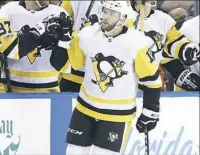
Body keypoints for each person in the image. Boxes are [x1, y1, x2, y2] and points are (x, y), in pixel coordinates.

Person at [58, 1, 161, 154]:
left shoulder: (138, 42)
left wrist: (150, 111)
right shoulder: (87, 35)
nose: (105, 16)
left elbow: (151, 80)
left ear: (123, 18)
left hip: (117, 114)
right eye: (104, 11)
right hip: (84, 108)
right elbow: (73, 63)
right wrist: (66, 39)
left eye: (112, 13)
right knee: (73, 152)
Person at [0, 0, 71, 92]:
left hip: (49, 89)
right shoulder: (7, 11)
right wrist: (39, 31)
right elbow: (5, 49)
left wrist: (64, 41)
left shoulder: (59, 13)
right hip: (10, 89)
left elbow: (60, 65)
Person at [129, 0, 200, 91]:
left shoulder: (163, 20)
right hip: (127, 81)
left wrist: (185, 49)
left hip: (151, 82)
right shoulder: (125, 18)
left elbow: (170, 44)